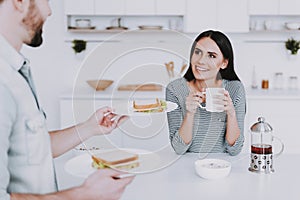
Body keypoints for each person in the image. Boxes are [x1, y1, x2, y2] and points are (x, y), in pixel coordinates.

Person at [0, 0, 133, 199]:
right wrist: (84, 194)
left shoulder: (16, 71)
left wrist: (90, 127)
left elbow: (34, 148)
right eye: (45, 0)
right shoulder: (4, 81)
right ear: (19, 2)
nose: (49, 11)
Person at [166, 30, 246, 156]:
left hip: (223, 164)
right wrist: (189, 114)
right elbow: (179, 149)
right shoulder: (175, 89)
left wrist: (231, 114)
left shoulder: (234, 89)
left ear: (224, 63)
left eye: (212, 56)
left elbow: (234, 150)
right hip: (186, 164)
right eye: (197, 52)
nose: (201, 61)